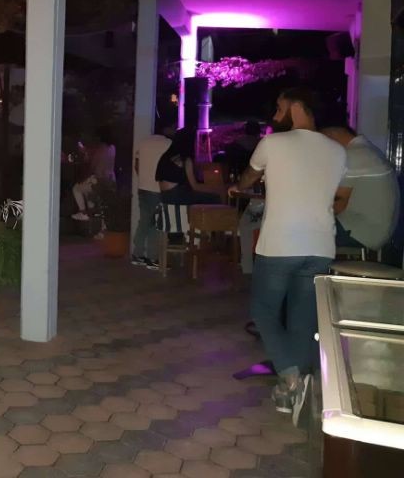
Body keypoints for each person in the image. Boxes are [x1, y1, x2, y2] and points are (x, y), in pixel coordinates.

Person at [229, 88, 346, 422]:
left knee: (263, 311)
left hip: (281, 244)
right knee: (301, 321)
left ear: (296, 106)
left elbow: (250, 176)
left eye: (280, 107)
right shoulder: (337, 151)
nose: (275, 114)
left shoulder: (273, 143)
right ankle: (292, 392)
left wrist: (240, 185)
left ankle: (290, 375)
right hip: (320, 245)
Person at [322, 124, 399, 251]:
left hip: (361, 232)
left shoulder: (354, 154)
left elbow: (339, 204)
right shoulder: (366, 150)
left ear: (331, 136)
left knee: (303, 234)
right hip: (373, 230)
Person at [131, 124, 173, 269]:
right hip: (158, 189)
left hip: (143, 188)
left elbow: (137, 165)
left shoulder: (143, 142)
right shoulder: (168, 144)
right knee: (156, 224)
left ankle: (137, 254)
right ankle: (153, 258)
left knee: (144, 221)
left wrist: (144, 178)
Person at [156, 127, 220, 205]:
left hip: (164, 196)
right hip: (176, 195)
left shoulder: (166, 156)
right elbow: (195, 186)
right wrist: (215, 189)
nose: (197, 144)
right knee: (215, 198)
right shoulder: (185, 159)